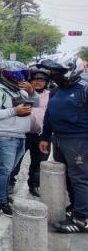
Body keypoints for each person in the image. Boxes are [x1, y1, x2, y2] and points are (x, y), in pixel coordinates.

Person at [38, 56, 88, 233]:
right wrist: (45, 137)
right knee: (67, 178)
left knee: (80, 179)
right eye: (52, 72)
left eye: (58, 72)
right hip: (59, 139)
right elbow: (49, 115)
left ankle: (82, 219)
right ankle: (76, 209)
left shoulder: (84, 88)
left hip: (80, 140)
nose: (54, 75)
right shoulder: (56, 90)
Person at [0, 60, 38, 216]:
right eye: (15, 76)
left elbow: (37, 104)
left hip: (20, 135)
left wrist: (32, 91)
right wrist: (14, 111)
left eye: (22, 76)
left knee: (8, 170)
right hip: (3, 135)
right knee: (3, 169)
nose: (19, 79)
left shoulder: (21, 91)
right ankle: (0, 203)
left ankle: (4, 196)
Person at [9, 66, 50, 197]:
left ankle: (34, 184)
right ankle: (10, 183)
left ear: (46, 82)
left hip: (41, 135)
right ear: (30, 81)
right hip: (22, 133)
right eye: (35, 79)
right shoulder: (21, 93)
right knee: (16, 161)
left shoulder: (51, 95)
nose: (38, 82)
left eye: (42, 80)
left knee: (38, 163)